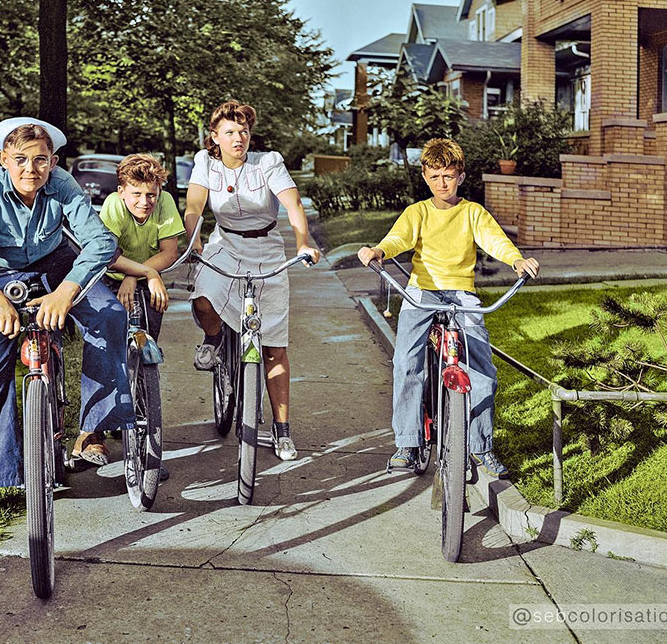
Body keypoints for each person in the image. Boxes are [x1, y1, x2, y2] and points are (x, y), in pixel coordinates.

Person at [0, 117, 134, 536]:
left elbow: (99, 241)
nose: (31, 169)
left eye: (41, 160)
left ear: (53, 162)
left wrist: (66, 292)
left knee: (111, 316)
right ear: (3, 159)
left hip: (58, 266)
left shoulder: (62, 184)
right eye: (21, 159)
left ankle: (91, 430)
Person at [357, 137, 539, 478]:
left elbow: (495, 240)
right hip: (422, 293)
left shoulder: (472, 212)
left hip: (461, 294)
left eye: (449, 176)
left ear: (461, 177)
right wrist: (379, 251)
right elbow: (399, 239)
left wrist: (516, 260)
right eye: (435, 176)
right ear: (425, 177)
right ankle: (408, 443)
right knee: (407, 362)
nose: (442, 183)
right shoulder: (418, 212)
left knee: (482, 369)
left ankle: (481, 446)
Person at [184, 100, 319, 461]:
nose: (238, 138)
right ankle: (214, 338)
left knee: (274, 346)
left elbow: (292, 205)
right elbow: (194, 208)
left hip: (268, 250)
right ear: (215, 136)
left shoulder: (267, 162)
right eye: (229, 132)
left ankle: (281, 430)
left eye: (243, 131)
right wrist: (194, 241)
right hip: (224, 245)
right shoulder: (205, 164)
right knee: (202, 297)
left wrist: (303, 240)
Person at [96, 153, 185, 476]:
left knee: (146, 354)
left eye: (151, 194)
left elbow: (169, 251)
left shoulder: (164, 204)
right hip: (112, 277)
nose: (145, 201)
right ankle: (99, 427)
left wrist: (141, 275)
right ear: (122, 192)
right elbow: (109, 255)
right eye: (137, 194)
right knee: (109, 350)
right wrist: (136, 274)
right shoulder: (113, 206)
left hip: (147, 279)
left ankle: (148, 443)